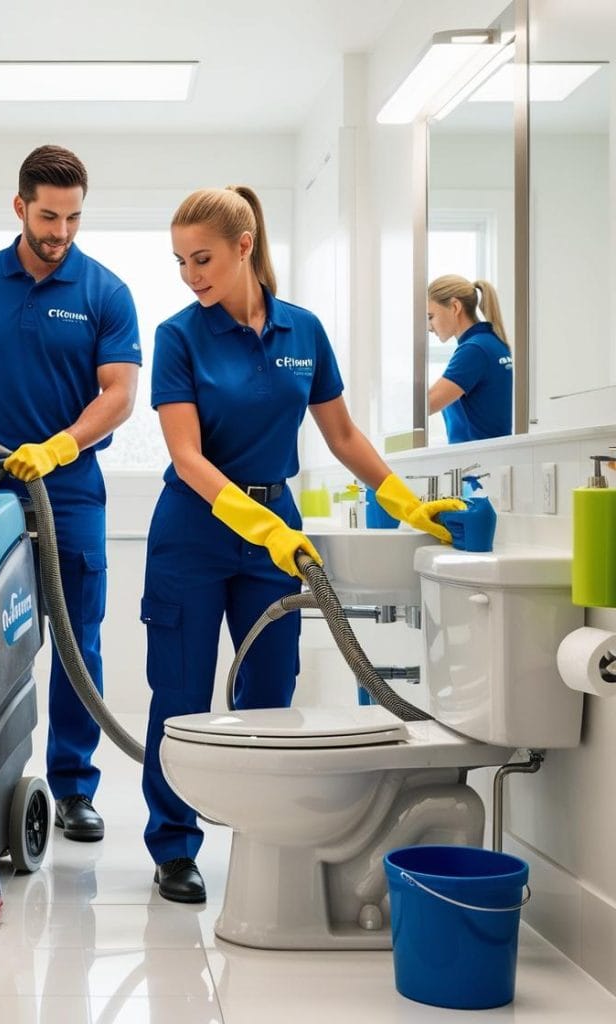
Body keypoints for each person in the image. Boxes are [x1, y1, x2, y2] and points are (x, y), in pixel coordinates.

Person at [141, 186, 464, 903]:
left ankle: (266, 831)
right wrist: (260, 526)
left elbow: (342, 436)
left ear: (244, 246)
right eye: (181, 262)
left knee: (270, 691)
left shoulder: (303, 332)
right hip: (196, 528)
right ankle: (174, 847)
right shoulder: (177, 336)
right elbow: (188, 457)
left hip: (272, 527)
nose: (191, 275)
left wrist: (403, 500)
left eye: (203, 258)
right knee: (181, 692)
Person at [0, 145, 141, 842]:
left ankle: (73, 790)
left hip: (69, 491)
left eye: (73, 217)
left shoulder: (104, 291)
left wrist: (64, 444)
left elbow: (121, 393)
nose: (61, 231)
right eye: (48, 216)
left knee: (77, 644)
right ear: (20, 207)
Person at [427, 275, 513, 444]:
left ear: (455, 306)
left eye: (431, 317)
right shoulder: (492, 342)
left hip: (476, 463)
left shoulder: (474, 350)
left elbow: (428, 404)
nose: (429, 327)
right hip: (491, 459)